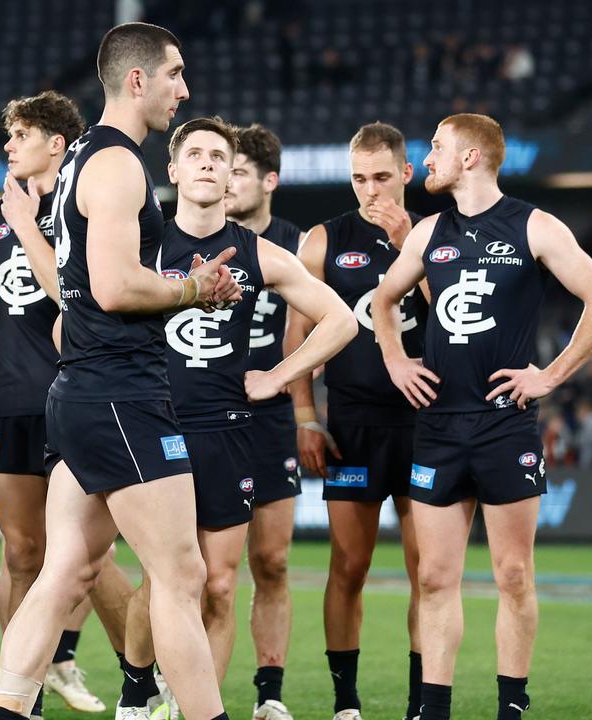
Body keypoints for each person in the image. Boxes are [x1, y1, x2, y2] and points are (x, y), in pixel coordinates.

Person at [0, 23, 242, 720]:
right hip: (122, 395)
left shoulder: (79, 162)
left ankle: (4, 710)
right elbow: (112, 289)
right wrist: (194, 290)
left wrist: (168, 282)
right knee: (182, 575)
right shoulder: (118, 163)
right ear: (137, 80)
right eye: (175, 74)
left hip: (82, 390)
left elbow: (84, 293)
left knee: (65, 569)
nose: (183, 91)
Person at [373, 113, 592, 720]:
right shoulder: (428, 232)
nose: (425, 159)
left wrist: (551, 375)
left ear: (471, 157)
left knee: (513, 574)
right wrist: (397, 361)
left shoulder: (535, 225)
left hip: (505, 424)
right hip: (437, 426)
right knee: (434, 577)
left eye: (436, 147)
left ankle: (512, 706)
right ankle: (434, 709)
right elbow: (382, 300)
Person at [123, 117, 356, 720]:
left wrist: (277, 377)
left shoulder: (260, 253)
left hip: (229, 432)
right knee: (160, 578)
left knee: (220, 585)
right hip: (154, 430)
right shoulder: (140, 245)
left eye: (217, 157)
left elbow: (342, 320)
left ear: (232, 176)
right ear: (171, 171)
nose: (205, 164)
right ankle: (135, 694)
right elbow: (68, 322)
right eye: (192, 154)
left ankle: (193, 708)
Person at [0, 90, 124, 717]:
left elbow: (75, 293)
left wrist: (26, 224)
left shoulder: (83, 207)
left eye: (20, 135)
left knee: (90, 562)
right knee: (21, 553)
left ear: (56, 145)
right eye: (8, 134)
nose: (9, 145)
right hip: (12, 404)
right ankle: (25, 697)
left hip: (76, 398)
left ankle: (143, 683)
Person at [288, 122, 427, 720]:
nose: (370, 191)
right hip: (352, 426)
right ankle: (346, 703)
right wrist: (304, 417)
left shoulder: (438, 239)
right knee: (349, 565)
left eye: (381, 177)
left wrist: (408, 247)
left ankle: (426, 702)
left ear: (406, 174)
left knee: (432, 573)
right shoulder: (323, 240)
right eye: (359, 179)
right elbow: (298, 336)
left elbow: (454, 325)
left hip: (427, 425)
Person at [221, 124, 304, 720]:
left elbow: (328, 325)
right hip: (200, 414)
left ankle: (269, 695)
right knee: (201, 571)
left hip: (269, 418)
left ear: (268, 181)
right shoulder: (194, 237)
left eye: (240, 172)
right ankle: (173, 691)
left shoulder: (296, 246)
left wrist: (282, 384)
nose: (227, 182)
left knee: (270, 562)